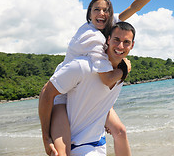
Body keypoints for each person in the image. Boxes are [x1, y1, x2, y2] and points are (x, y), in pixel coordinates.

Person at [47, 0, 167, 156]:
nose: (101, 13)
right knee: (63, 152)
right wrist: (124, 69)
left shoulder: (109, 28)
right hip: (63, 93)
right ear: (89, 14)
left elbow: (135, 7)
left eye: (106, 10)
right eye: (96, 10)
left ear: (110, 14)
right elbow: (105, 78)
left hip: (88, 91)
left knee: (120, 131)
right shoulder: (90, 35)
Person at [39, 22, 136, 156]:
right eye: (116, 40)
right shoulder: (83, 66)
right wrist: (45, 137)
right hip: (63, 104)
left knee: (121, 131)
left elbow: (103, 94)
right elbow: (46, 92)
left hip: (95, 136)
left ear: (132, 45)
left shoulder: (123, 68)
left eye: (126, 42)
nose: (120, 46)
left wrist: (103, 114)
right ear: (108, 39)